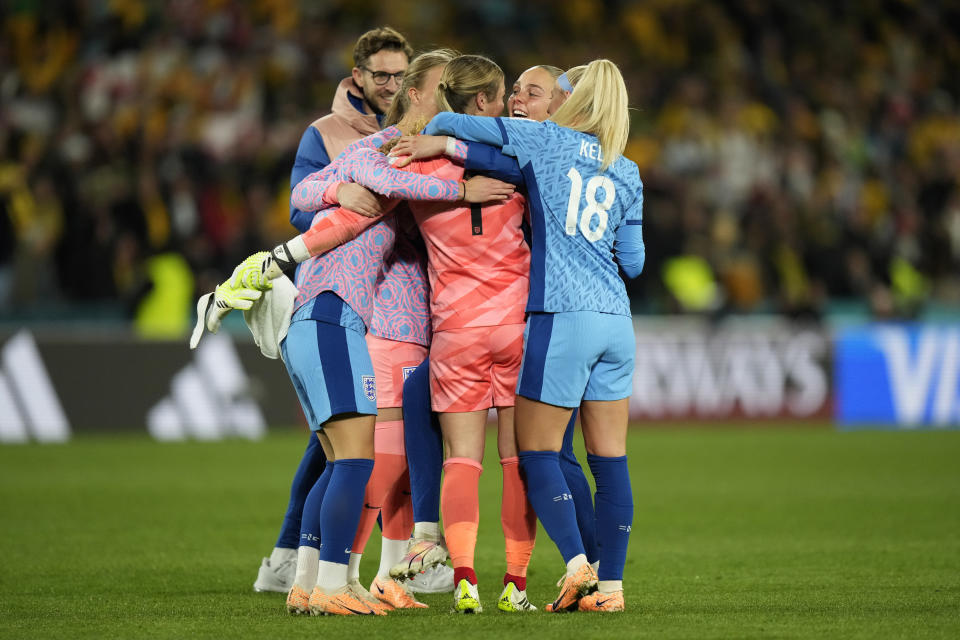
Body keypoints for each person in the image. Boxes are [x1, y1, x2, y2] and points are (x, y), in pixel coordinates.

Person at [420, 58, 645, 613]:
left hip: (561, 315)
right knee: (610, 462)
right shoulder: (628, 169)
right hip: (617, 320)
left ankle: (576, 568)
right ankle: (610, 590)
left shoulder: (547, 141)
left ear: (576, 100)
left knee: (535, 449)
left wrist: (439, 145)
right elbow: (634, 262)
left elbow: (461, 124)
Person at [254, 25, 414, 595]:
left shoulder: (415, 129)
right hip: (343, 292)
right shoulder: (327, 133)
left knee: (345, 439)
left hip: (394, 299)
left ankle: (306, 565)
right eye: (381, 75)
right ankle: (300, 562)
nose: (391, 85)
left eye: (400, 75)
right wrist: (336, 192)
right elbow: (301, 206)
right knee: (340, 442)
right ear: (358, 77)